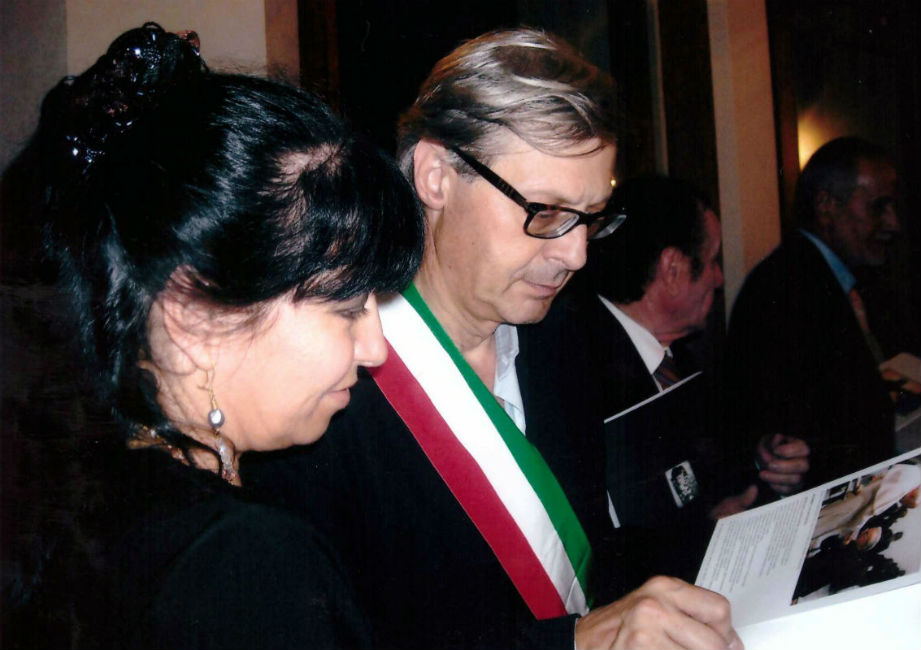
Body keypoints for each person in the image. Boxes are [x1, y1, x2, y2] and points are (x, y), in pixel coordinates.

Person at [246, 28, 739, 650]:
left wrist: (706, 554)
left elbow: (587, 561)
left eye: (590, 218)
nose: (576, 254)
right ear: (436, 175)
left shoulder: (561, 335)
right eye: (545, 211)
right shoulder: (327, 387)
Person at [22, 23, 424, 649]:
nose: (376, 349)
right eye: (347, 307)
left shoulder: (80, 493)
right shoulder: (241, 564)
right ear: (194, 316)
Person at [726, 137, 899, 491]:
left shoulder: (836, 279)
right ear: (826, 205)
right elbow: (782, 433)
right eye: (878, 206)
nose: (893, 222)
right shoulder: (784, 290)